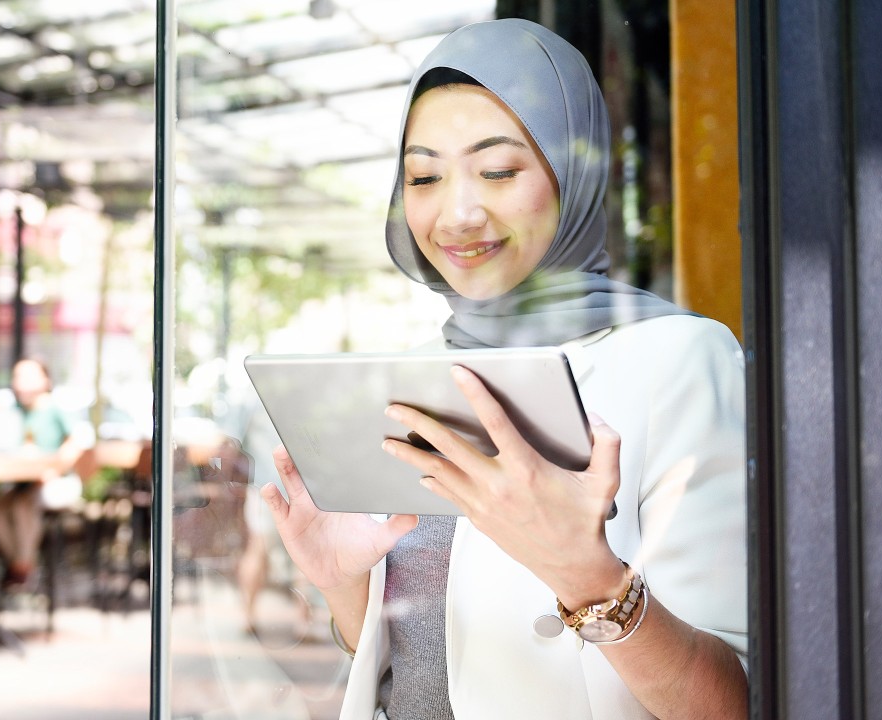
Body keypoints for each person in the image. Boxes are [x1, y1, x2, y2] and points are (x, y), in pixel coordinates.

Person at [259, 20, 748, 720]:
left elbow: (734, 703)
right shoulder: (420, 372)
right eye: (424, 176)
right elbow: (425, 661)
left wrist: (588, 579)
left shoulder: (679, 359)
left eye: (497, 170)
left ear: (573, 174)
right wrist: (344, 587)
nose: (457, 213)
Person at [0, 357, 82, 587]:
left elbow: (76, 443)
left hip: (56, 482)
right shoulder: (15, 412)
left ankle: (22, 568)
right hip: (25, 480)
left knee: (23, 506)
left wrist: (56, 468)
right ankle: (18, 565)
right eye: (18, 377)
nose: (22, 383)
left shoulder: (55, 408)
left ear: (45, 380)